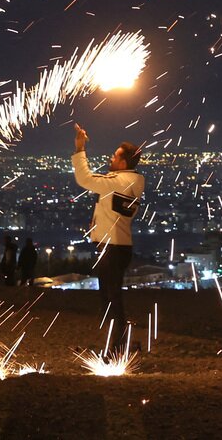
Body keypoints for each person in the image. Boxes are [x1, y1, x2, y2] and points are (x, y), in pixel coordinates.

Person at [71, 122, 144, 359]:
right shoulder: (129, 181)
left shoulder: (119, 182)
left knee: (112, 298)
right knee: (109, 298)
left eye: (115, 156)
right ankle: (118, 345)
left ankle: (119, 349)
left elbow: (85, 179)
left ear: (123, 163)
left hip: (113, 248)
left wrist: (80, 149)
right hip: (114, 246)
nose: (111, 158)